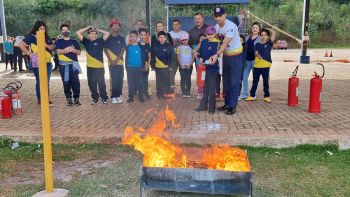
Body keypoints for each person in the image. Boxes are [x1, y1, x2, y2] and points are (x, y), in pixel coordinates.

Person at [210, 7, 243, 115]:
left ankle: (232, 106)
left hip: (236, 56)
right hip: (226, 57)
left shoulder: (231, 26)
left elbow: (224, 43)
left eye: (220, 16)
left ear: (225, 15)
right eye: (216, 16)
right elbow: (213, 39)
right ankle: (227, 104)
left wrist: (217, 54)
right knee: (226, 82)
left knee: (234, 82)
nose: (218, 18)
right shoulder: (216, 27)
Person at [18, 21, 55, 106]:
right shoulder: (31, 36)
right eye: (40, 28)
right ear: (36, 29)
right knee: (40, 80)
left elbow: (52, 47)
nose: (42, 30)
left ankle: (46, 98)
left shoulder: (46, 37)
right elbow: (20, 44)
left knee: (46, 81)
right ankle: (41, 99)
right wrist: (29, 54)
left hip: (48, 62)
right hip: (36, 60)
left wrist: (46, 44)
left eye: (44, 29)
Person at [76, 26, 110, 105]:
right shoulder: (86, 41)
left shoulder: (100, 40)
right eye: (91, 33)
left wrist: (97, 29)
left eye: (95, 34)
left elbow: (107, 33)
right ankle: (95, 98)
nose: (93, 35)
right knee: (91, 83)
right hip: (90, 67)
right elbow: (78, 32)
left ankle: (104, 98)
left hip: (100, 67)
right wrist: (88, 27)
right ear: (88, 35)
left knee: (101, 83)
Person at [245, 28, 276, 103]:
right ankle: (252, 95)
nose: (263, 37)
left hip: (265, 65)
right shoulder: (257, 44)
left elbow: (274, 33)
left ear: (268, 36)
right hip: (257, 66)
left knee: (265, 81)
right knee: (255, 81)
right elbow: (256, 53)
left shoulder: (269, 43)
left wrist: (268, 29)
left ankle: (266, 96)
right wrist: (257, 55)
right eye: (262, 35)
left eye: (265, 35)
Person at [195, 26, 220, 114]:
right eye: (208, 34)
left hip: (213, 69)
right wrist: (200, 58)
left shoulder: (218, 43)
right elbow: (201, 53)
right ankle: (203, 106)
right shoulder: (204, 42)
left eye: (212, 34)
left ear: (215, 34)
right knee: (205, 87)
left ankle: (212, 108)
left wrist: (213, 60)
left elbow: (219, 55)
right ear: (206, 34)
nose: (210, 36)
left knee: (212, 88)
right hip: (204, 68)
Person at [55, 24, 82, 106]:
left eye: (67, 30)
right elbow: (58, 51)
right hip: (63, 65)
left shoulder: (74, 41)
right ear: (61, 31)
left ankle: (76, 98)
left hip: (74, 64)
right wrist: (67, 49)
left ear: (69, 31)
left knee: (76, 82)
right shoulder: (59, 41)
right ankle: (69, 98)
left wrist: (72, 49)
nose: (65, 31)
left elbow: (79, 52)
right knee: (66, 82)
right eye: (63, 30)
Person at [104, 18, 126, 104]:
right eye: (114, 25)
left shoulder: (121, 38)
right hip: (111, 63)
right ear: (111, 27)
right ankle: (113, 96)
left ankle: (118, 95)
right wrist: (111, 60)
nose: (116, 27)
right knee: (114, 80)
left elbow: (123, 50)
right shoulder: (108, 38)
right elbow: (105, 49)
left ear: (119, 27)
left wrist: (116, 60)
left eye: (117, 25)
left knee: (120, 79)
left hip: (120, 62)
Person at [151, 31, 177, 99]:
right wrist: (153, 66)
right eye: (160, 37)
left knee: (166, 81)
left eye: (163, 37)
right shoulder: (155, 46)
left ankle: (166, 94)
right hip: (158, 67)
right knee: (159, 81)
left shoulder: (169, 46)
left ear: (165, 38)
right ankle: (159, 94)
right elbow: (152, 57)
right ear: (158, 38)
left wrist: (171, 66)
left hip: (166, 67)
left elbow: (173, 57)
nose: (162, 38)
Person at [240, 22, 261, 99]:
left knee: (255, 79)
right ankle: (245, 94)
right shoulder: (247, 38)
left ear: (259, 30)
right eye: (253, 27)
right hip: (247, 61)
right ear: (251, 29)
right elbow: (243, 48)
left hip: (255, 61)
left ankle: (253, 94)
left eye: (256, 28)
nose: (255, 29)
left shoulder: (260, 38)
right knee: (244, 77)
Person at [125, 30, 145, 103]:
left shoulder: (140, 46)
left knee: (140, 83)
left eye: (134, 36)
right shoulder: (127, 46)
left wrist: (143, 66)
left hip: (138, 68)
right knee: (131, 83)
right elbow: (126, 57)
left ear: (137, 37)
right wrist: (126, 67)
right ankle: (131, 97)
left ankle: (141, 97)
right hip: (130, 67)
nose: (132, 38)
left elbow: (143, 57)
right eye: (131, 36)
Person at [169, 19, 187, 93]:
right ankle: (171, 90)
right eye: (174, 24)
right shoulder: (168, 34)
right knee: (171, 74)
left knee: (183, 74)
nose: (176, 25)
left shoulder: (184, 33)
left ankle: (184, 90)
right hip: (172, 58)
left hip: (183, 58)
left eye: (177, 24)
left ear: (180, 25)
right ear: (172, 25)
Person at [176, 32, 194, 97]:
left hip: (189, 66)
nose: (184, 41)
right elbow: (178, 56)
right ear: (181, 41)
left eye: (185, 39)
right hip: (182, 66)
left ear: (188, 40)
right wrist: (181, 64)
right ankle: (184, 92)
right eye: (183, 40)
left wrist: (190, 64)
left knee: (188, 79)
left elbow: (193, 56)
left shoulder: (191, 47)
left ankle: (188, 92)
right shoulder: (179, 47)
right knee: (183, 78)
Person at [138, 28, 152, 100]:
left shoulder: (148, 45)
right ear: (139, 36)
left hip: (146, 66)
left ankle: (146, 93)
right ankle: (140, 95)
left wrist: (147, 65)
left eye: (144, 35)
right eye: (141, 34)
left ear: (146, 36)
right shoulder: (136, 45)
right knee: (139, 81)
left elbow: (149, 57)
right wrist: (138, 66)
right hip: (138, 66)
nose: (143, 36)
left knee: (145, 80)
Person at [239, 35, 248, 100]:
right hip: (235, 67)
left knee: (239, 81)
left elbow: (244, 58)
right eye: (238, 40)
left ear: (243, 41)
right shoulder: (233, 48)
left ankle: (238, 94)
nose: (240, 41)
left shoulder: (244, 48)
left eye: (241, 40)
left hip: (241, 67)